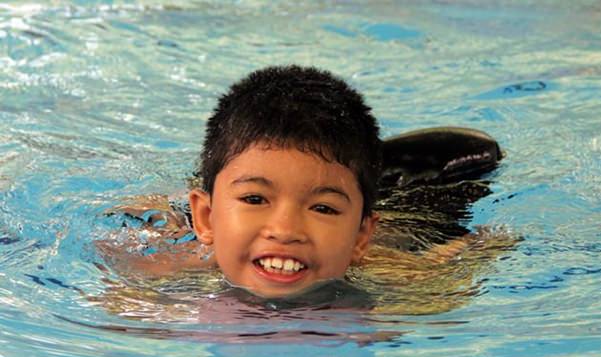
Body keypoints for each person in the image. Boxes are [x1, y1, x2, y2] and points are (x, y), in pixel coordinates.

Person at [98, 65, 508, 303]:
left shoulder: (394, 281)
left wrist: (475, 254)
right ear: (205, 218)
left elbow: (468, 258)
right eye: (256, 198)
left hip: (401, 212)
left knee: (474, 151)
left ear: (364, 235)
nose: (286, 231)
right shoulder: (168, 272)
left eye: (322, 208)